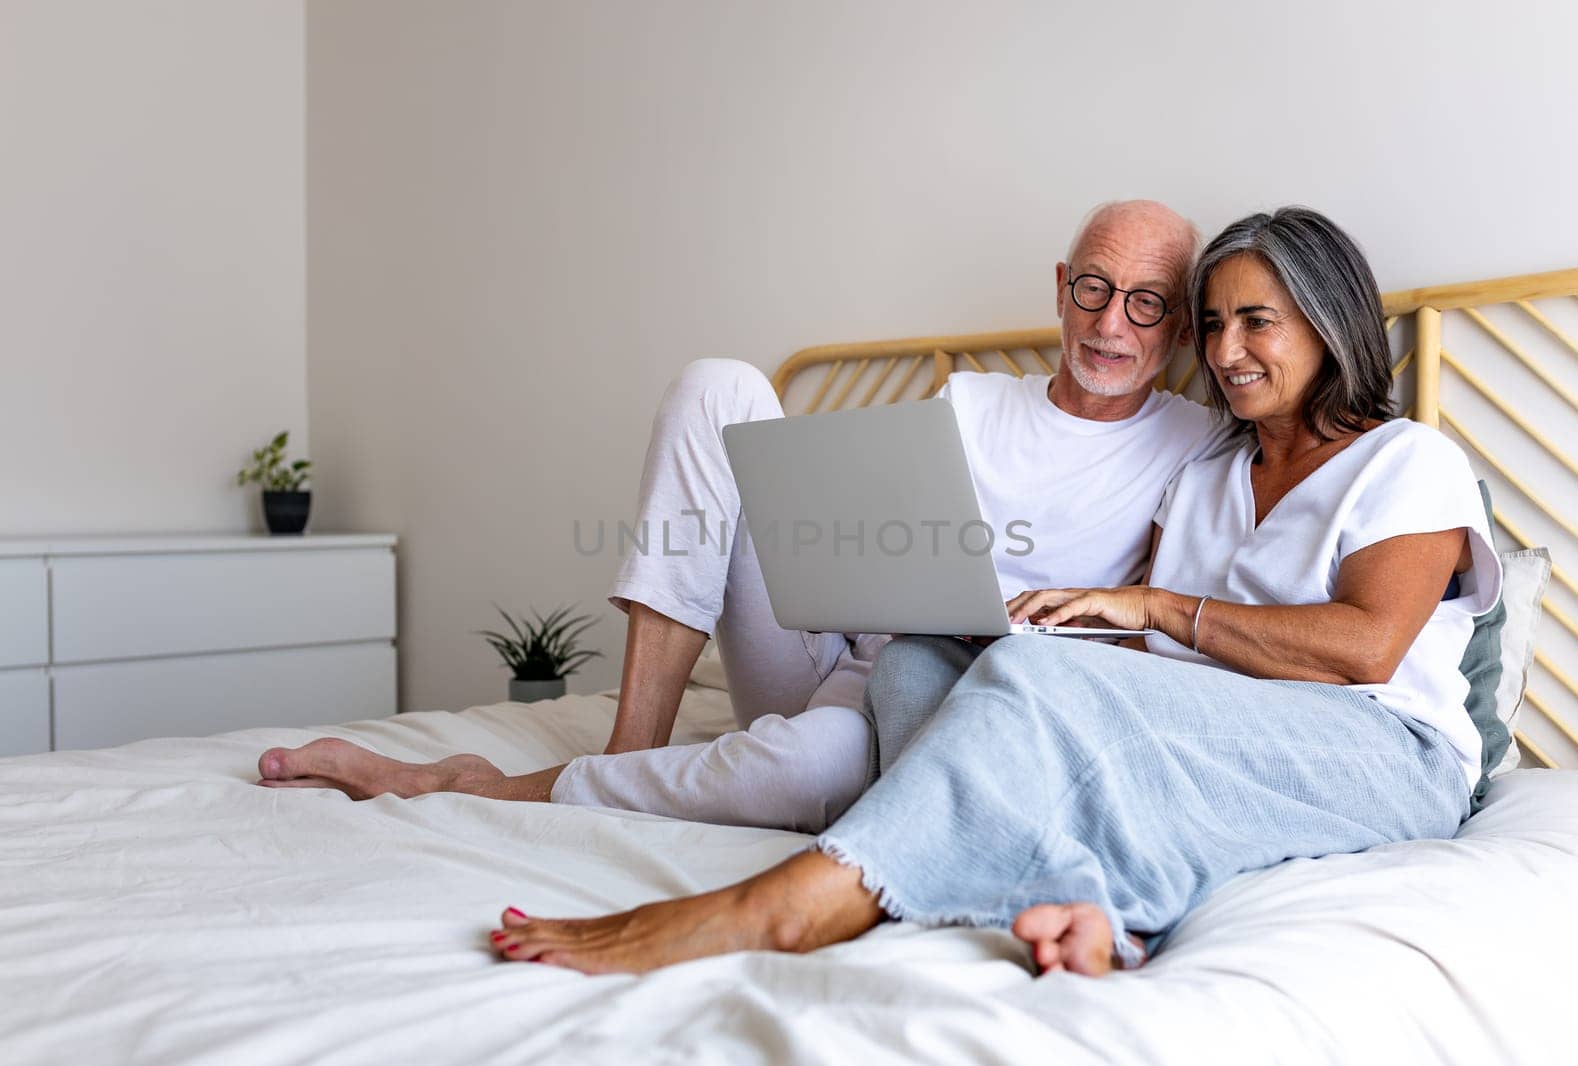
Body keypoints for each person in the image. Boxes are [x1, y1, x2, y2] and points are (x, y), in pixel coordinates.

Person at [484, 206, 1499, 978]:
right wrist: (1033, 631)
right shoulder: (1206, 477)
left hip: (1374, 744)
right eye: (1217, 322)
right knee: (938, 655)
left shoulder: (1405, 460)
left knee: (1031, 678)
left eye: (1257, 324)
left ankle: (793, 900)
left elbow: (1366, 646)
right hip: (1214, 735)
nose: (1228, 351)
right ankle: (1085, 903)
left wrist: (1144, 610)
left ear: (1328, 326)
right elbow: (1149, 677)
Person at [256, 200, 1228, 832]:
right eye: (1094, 289)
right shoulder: (970, 401)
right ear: (1061, 289)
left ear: (1179, 328)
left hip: (932, 698)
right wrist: (841, 535)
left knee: (807, 773)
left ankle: (476, 786)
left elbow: (1163, 640)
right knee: (720, 386)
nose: (1110, 324)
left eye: (1146, 305)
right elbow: (862, 506)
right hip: (831, 642)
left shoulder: (1196, 445)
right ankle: (632, 751)